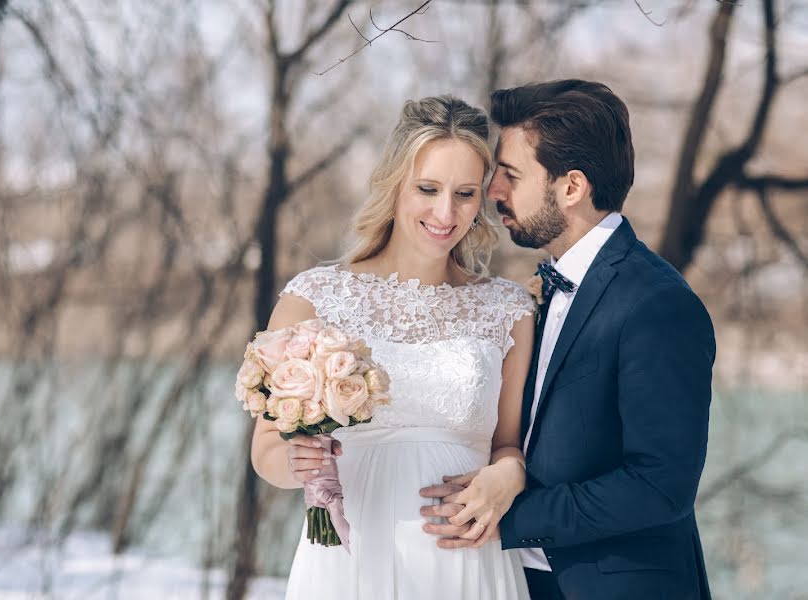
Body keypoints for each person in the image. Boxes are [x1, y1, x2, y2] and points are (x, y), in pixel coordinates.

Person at [420, 80, 716, 600]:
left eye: (510, 175)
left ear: (571, 187)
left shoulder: (657, 304)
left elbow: (659, 486)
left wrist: (509, 513)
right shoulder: (535, 295)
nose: (493, 191)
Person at [250, 95, 535, 599]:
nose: (446, 212)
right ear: (394, 183)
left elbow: (508, 443)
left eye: (465, 194)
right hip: (348, 561)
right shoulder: (314, 298)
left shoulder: (506, 309)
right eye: (428, 188)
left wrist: (509, 476)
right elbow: (267, 452)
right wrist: (297, 464)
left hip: (464, 562)